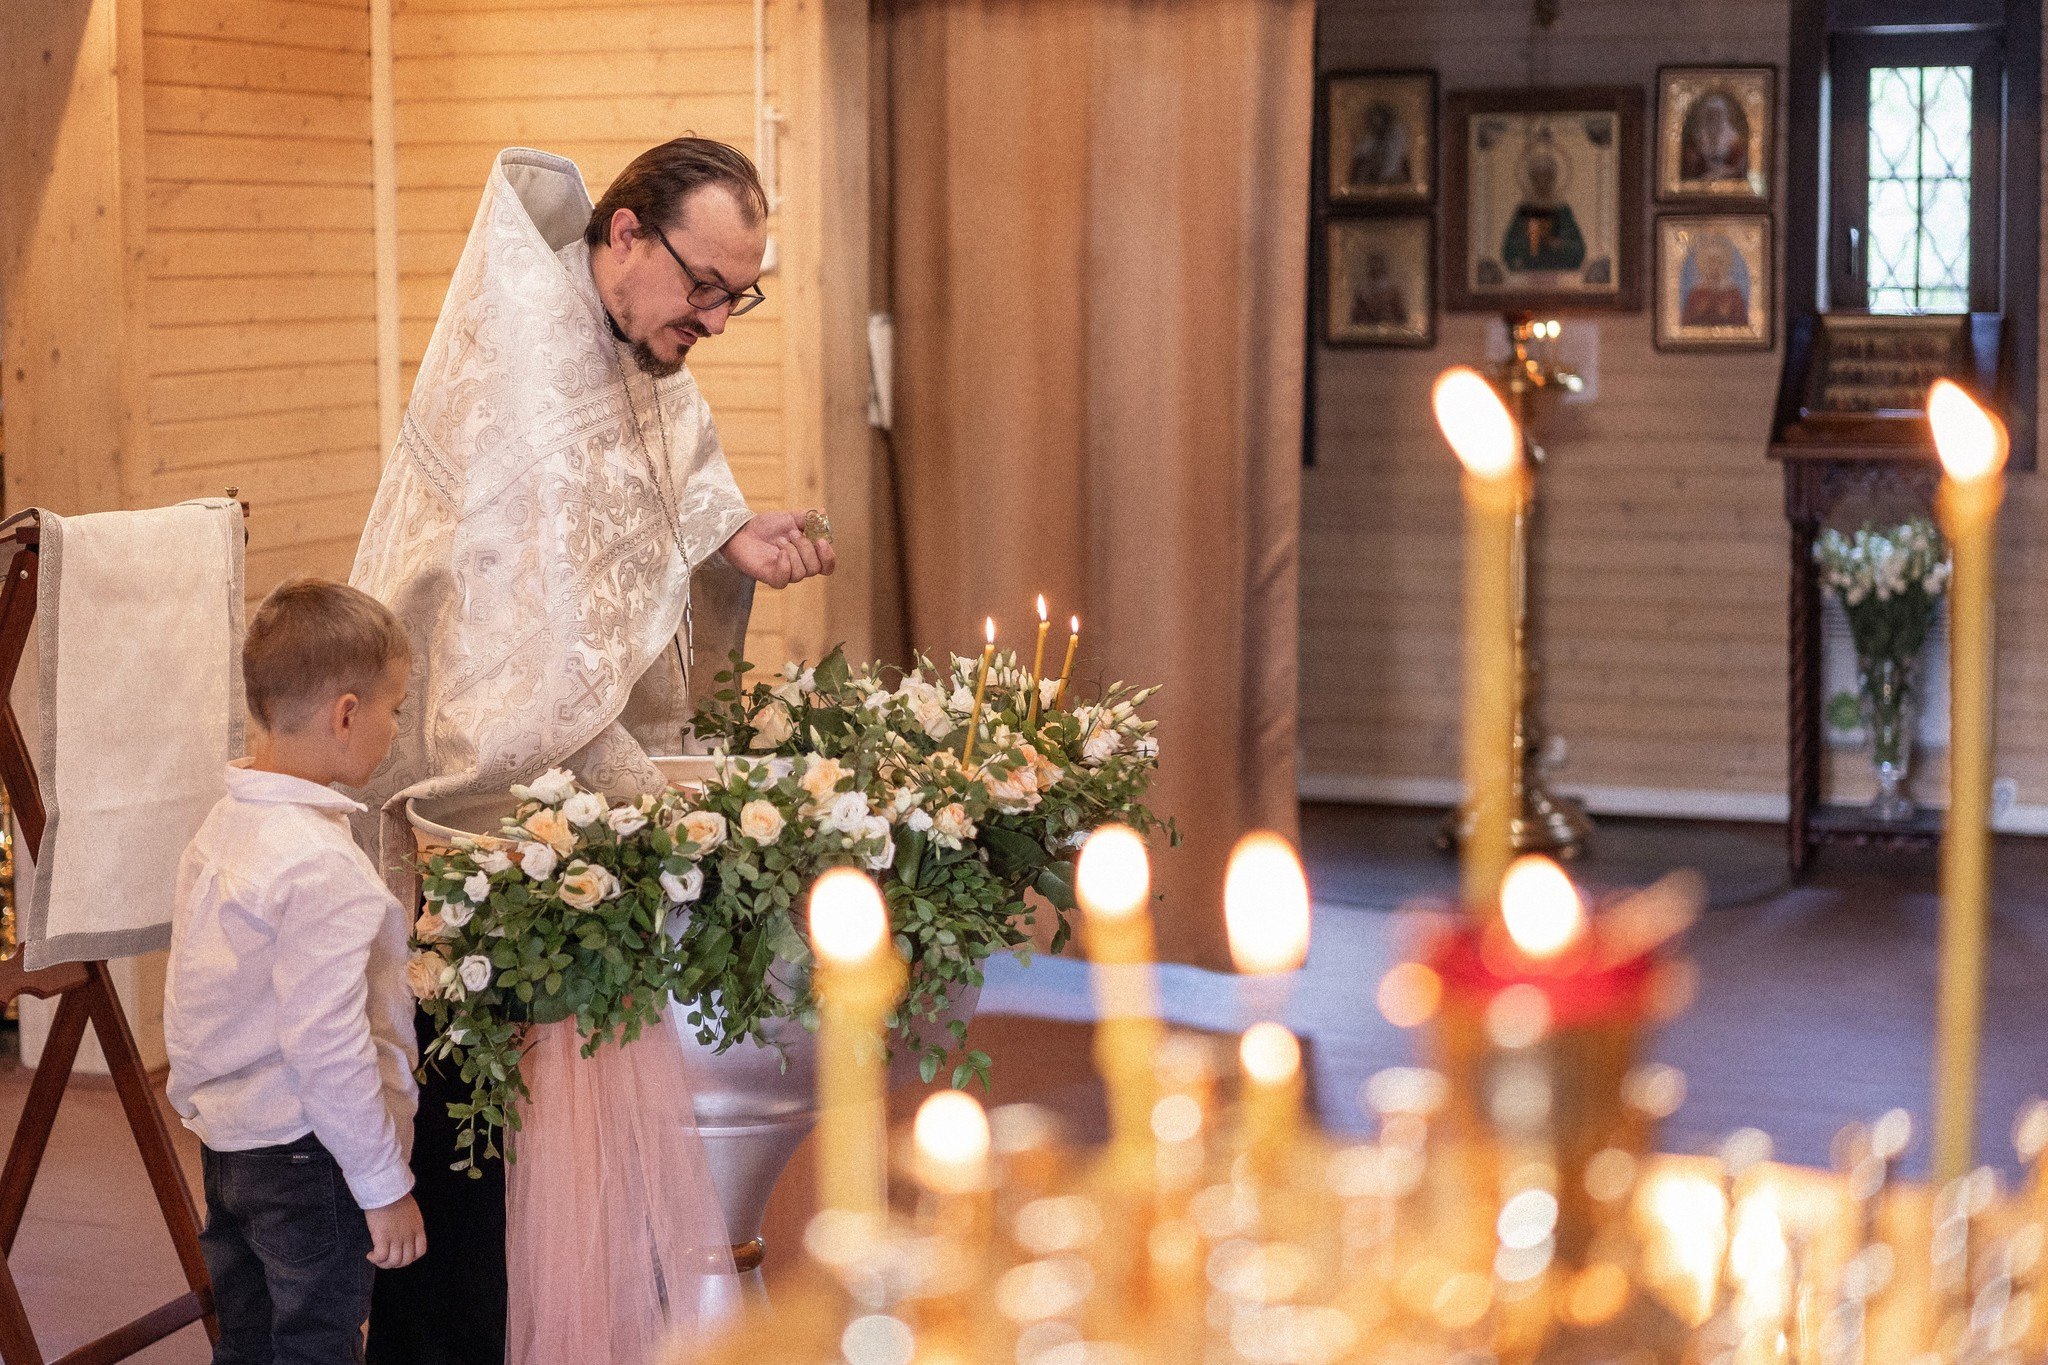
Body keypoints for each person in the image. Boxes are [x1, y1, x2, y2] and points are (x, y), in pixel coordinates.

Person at [353, 139, 831, 1362]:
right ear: (623, 234)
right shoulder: (523, 351)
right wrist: (588, 754)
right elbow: (521, 598)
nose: (717, 319)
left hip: (556, 793)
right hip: (467, 790)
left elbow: (660, 497)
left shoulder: (643, 346)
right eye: (705, 284)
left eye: (741, 292)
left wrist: (730, 542)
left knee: (550, 1161)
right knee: (470, 1164)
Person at [166, 579, 424, 1364]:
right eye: (394, 708)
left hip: (229, 1145)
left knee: (247, 1338)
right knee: (317, 1342)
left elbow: (194, 997)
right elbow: (328, 1046)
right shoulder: (322, 866)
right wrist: (384, 1185)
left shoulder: (225, 824)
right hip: (311, 1155)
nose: (395, 726)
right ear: (347, 713)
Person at [1501, 148, 1586, 273]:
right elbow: (1508, 250)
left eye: (1547, 177)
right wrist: (1528, 243)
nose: (1543, 182)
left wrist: (1561, 245)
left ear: (1553, 180)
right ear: (1532, 180)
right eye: (1538, 177)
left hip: (1559, 271)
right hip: (1528, 271)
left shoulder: (1562, 210)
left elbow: (1579, 250)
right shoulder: (1523, 210)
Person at [1680, 232, 1750, 328]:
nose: (1714, 267)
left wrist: (1726, 316)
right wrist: (1700, 314)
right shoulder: (1696, 293)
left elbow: (1742, 325)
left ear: (1724, 265)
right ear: (1703, 265)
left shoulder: (1733, 293)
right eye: (1710, 263)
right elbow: (1685, 326)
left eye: (1718, 263)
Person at [1679, 90, 1750, 184]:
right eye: (1710, 115)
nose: (1714, 119)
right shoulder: (1694, 140)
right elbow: (1689, 169)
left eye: (1717, 115)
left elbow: (1739, 170)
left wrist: (1723, 172)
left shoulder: (1736, 142)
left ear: (1724, 116)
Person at [1347, 101, 1412, 190]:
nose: (1378, 125)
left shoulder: (1397, 147)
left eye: (1381, 122)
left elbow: (1405, 180)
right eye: (1374, 123)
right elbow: (1355, 176)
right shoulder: (1365, 145)